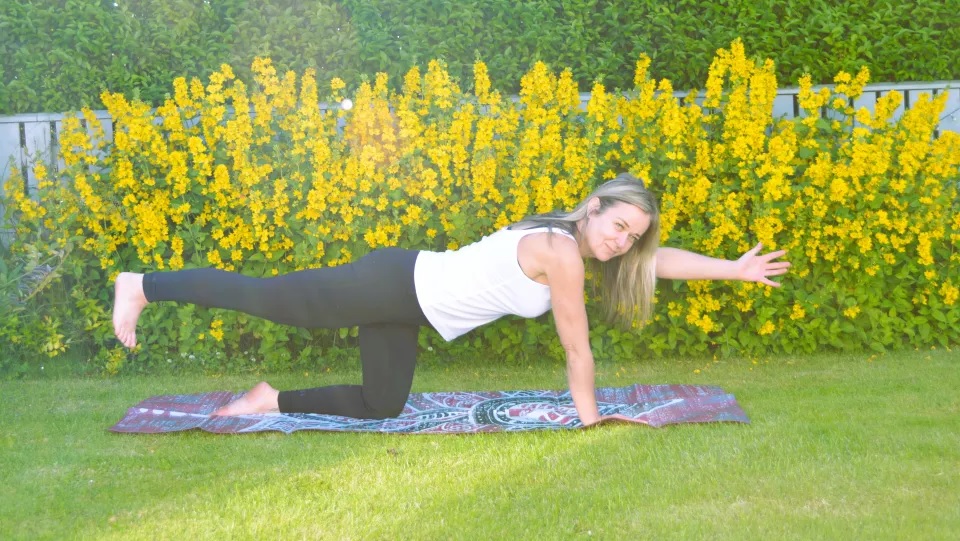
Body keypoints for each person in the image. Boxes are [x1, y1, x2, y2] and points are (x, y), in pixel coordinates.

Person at [112, 173, 790, 426]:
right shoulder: (558, 252)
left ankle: (271, 399)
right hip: (393, 281)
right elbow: (576, 344)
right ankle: (141, 284)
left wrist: (734, 267)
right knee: (267, 299)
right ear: (592, 208)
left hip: (407, 305)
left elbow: (655, 260)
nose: (622, 242)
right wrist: (590, 420)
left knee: (384, 403)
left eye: (630, 235)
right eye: (617, 225)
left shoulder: (574, 238)